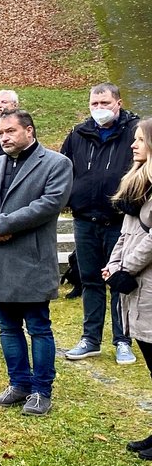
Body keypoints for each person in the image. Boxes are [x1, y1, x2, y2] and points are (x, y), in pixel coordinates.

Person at [0, 109, 73, 416]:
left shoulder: (56, 164)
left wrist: (4, 224)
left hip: (30, 258)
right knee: (7, 328)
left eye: (10, 132)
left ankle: (42, 391)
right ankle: (18, 385)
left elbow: (49, 204)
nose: (4, 137)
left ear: (29, 131)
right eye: (0, 133)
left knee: (38, 327)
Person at [62, 82, 141, 365]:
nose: (99, 109)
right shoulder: (78, 134)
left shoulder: (134, 132)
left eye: (105, 103)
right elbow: (64, 168)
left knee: (119, 280)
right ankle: (90, 339)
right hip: (85, 219)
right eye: (94, 104)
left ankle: (123, 340)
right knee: (91, 280)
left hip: (120, 221)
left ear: (118, 103)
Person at [108, 120, 152, 455]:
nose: (133, 145)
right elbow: (126, 232)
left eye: (140, 140)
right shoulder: (138, 185)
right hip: (135, 283)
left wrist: (128, 267)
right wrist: (114, 264)